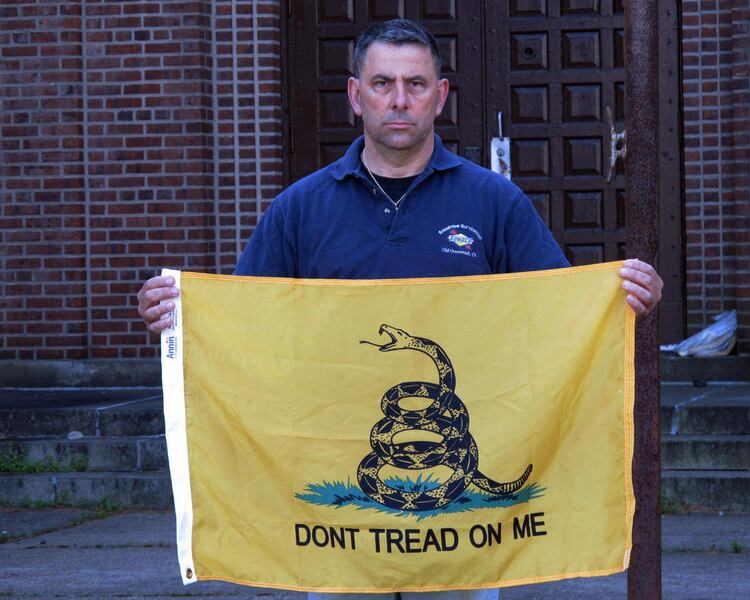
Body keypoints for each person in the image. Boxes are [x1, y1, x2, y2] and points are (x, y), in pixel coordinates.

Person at [138, 19, 663, 600]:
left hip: (464, 542)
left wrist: (621, 301)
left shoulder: (494, 202)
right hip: (336, 535)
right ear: (355, 95)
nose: (399, 100)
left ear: (440, 96)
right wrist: (180, 317)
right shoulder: (299, 209)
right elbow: (243, 327)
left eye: (416, 84)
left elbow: (561, 314)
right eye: (382, 83)